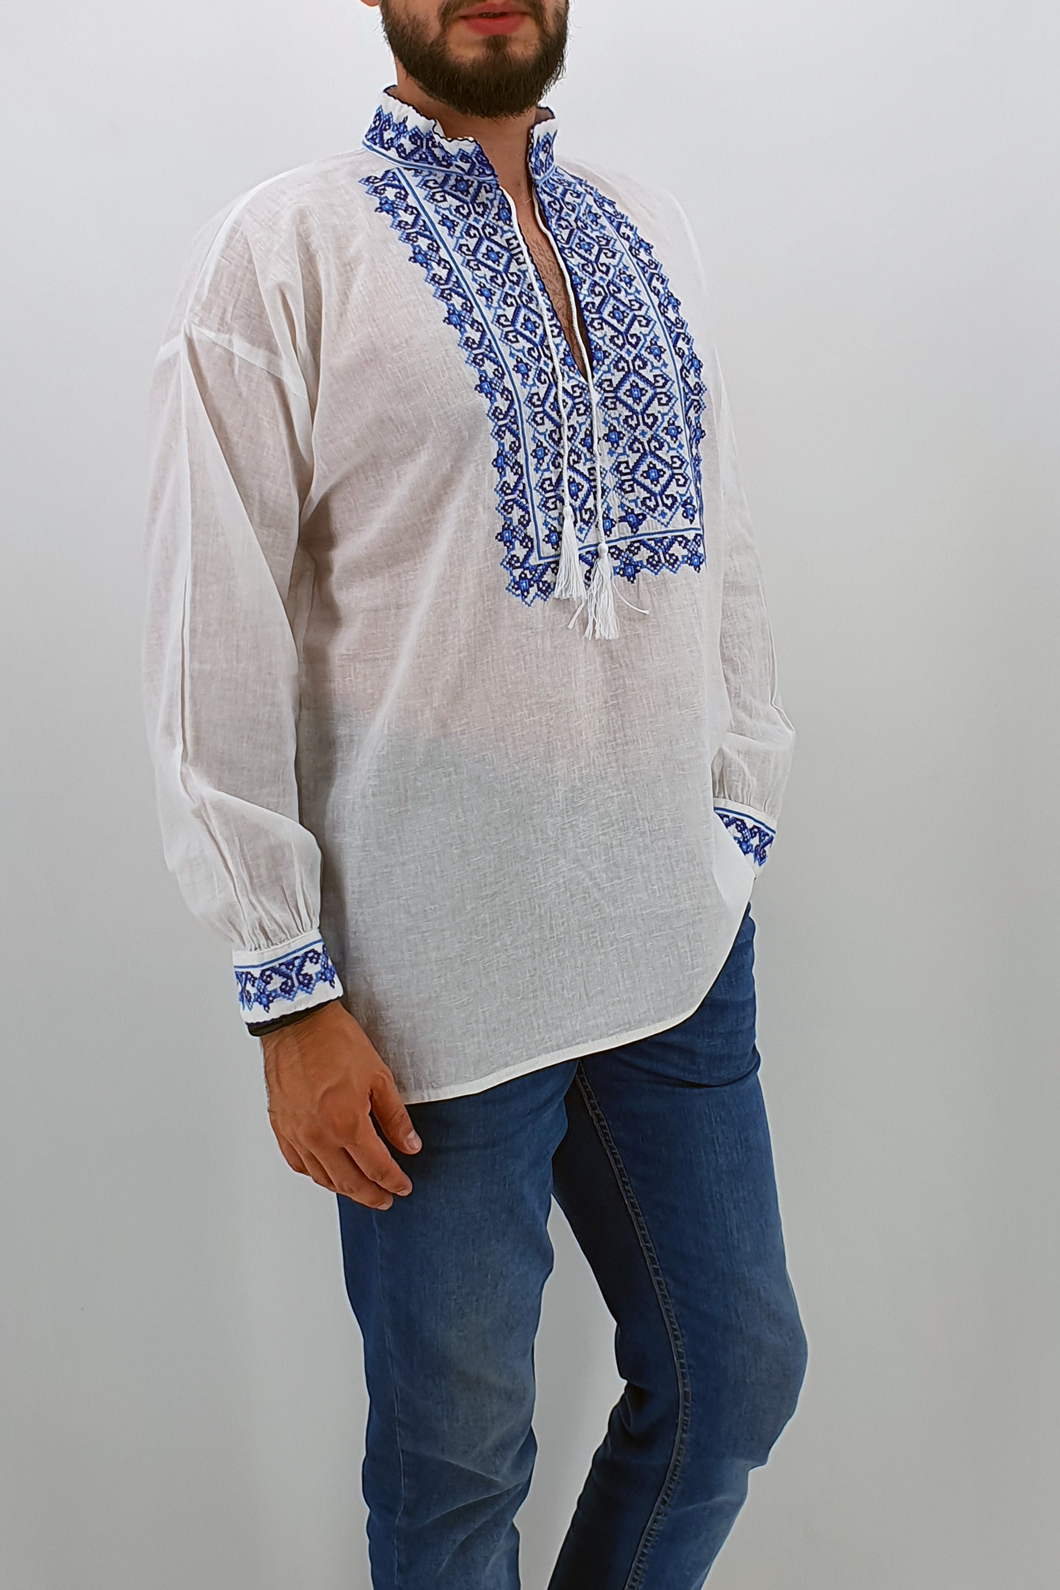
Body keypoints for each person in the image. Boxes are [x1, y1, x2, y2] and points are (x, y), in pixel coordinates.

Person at [141, 1, 808, 1584]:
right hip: (423, 997)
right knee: (455, 1472)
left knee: (735, 1378)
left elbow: (722, 543)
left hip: (671, 947)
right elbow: (209, 627)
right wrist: (286, 988)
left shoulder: (645, 225)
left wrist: (738, 800)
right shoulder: (286, 250)